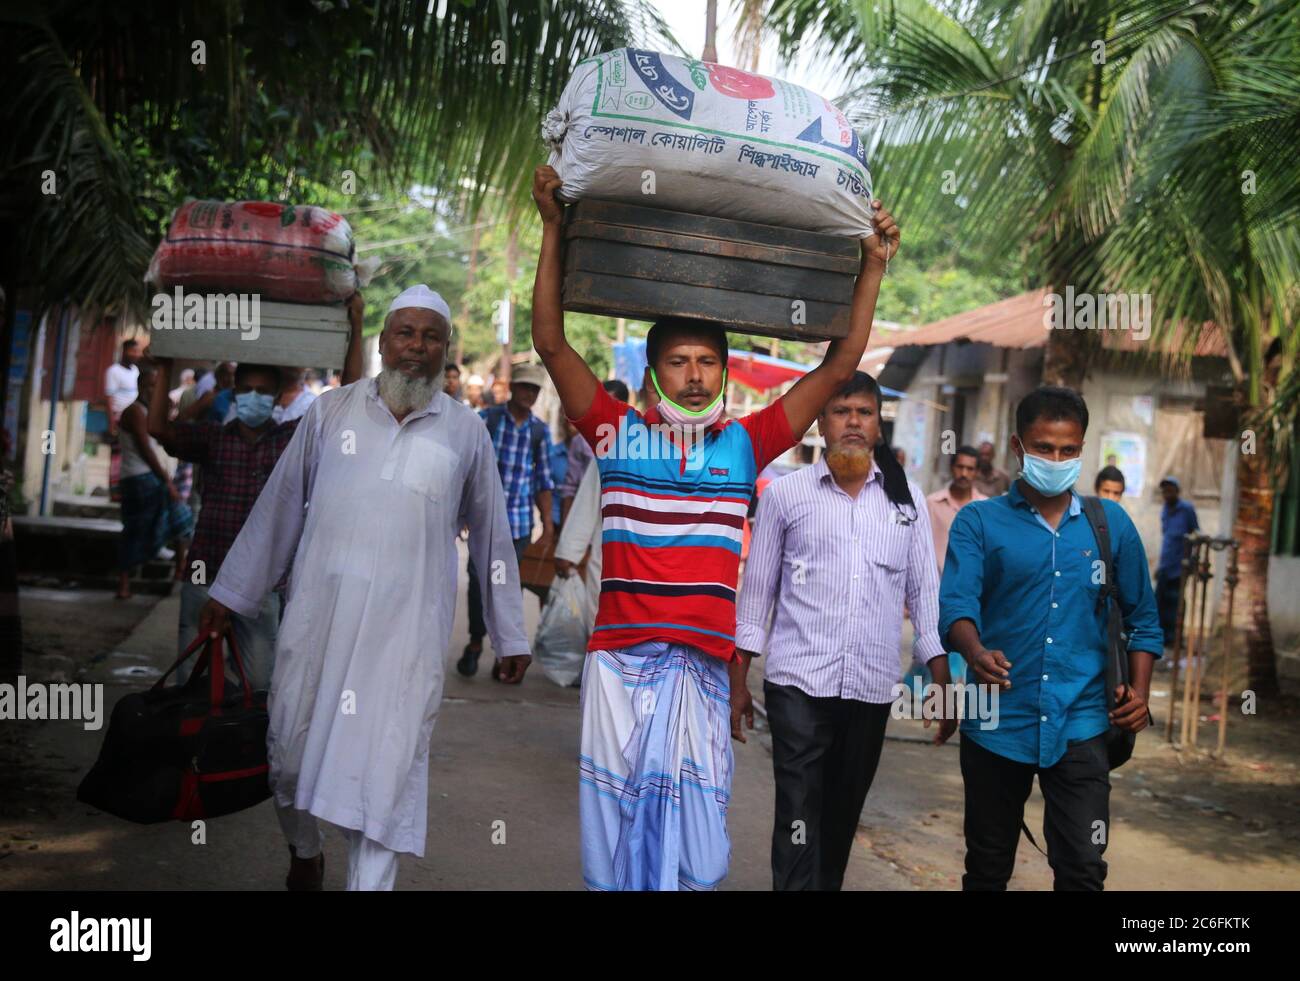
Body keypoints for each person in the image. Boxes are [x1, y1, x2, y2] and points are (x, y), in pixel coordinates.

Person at [530, 163, 900, 890]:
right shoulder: (616, 433)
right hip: (618, 665)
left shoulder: (749, 441)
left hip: (700, 666)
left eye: (707, 362)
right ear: (655, 372)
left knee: (698, 853)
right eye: (679, 361)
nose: (695, 375)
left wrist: (873, 265)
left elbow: (841, 365)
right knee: (614, 837)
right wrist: (551, 227)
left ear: (723, 373)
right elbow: (550, 341)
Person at [198, 284, 531, 892]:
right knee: (289, 754)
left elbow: (492, 540)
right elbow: (278, 511)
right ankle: (304, 850)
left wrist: (510, 632)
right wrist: (229, 594)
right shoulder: (329, 414)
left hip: (405, 640)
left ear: (446, 349)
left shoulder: (465, 433)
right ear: (382, 341)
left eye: (432, 336)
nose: (417, 347)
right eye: (405, 332)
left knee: (388, 773)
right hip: (318, 623)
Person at [939, 386, 1163, 891]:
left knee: (1083, 868)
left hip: (1084, 722)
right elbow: (955, 608)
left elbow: (1144, 621)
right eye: (1043, 448)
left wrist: (1140, 696)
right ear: (1019, 447)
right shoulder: (980, 520)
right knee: (988, 867)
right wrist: (975, 652)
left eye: (1068, 450)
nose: (1056, 460)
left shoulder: (1112, 526)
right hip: (996, 721)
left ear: (1082, 449)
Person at [736, 371, 953, 891]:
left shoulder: (907, 503)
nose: (853, 422)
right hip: (796, 683)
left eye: (864, 412)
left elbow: (925, 595)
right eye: (841, 411)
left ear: (878, 425)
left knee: (841, 814)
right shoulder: (788, 496)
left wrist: (944, 684)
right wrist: (737, 679)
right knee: (797, 808)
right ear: (819, 423)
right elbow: (756, 593)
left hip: (870, 686)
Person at [149, 295, 365, 689]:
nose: (253, 396)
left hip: (264, 580)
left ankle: (247, 750)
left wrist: (357, 325)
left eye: (262, 390)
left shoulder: (290, 440)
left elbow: (351, 403)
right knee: (189, 685)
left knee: (261, 686)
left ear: (277, 394)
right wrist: (164, 362)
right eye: (245, 389)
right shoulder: (214, 440)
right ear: (234, 393)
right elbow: (159, 429)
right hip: (206, 571)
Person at [457, 362, 555, 678]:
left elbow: (543, 480)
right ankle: (475, 642)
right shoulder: (487, 420)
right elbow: (466, 469)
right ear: (512, 387)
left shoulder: (539, 431)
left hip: (520, 523)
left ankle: (506, 652)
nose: (529, 393)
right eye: (525, 387)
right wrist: (463, 511)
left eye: (534, 389)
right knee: (478, 584)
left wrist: (549, 525)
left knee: (509, 589)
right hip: (485, 522)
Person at [116, 362, 193, 599]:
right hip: (140, 478)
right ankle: (125, 584)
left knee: (181, 520)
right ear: (140, 386)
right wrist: (167, 482)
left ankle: (179, 572)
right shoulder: (135, 411)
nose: (152, 390)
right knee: (139, 528)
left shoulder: (151, 411)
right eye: (149, 385)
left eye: (156, 386)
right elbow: (146, 450)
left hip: (150, 477)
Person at [559, 379, 628, 524]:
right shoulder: (581, 440)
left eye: (611, 404)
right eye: (602, 404)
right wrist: (567, 527)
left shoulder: (634, 444)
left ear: (624, 407)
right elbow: (570, 487)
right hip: (585, 516)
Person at [926, 444, 986, 574]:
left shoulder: (985, 507)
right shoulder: (932, 503)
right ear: (951, 467)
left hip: (971, 586)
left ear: (977, 472)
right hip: (935, 584)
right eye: (960, 467)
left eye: (970, 469)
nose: (964, 474)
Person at [1155, 475, 1198, 649]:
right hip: (1165, 565)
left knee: (1176, 603)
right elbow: (1167, 539)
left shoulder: (1186, 509)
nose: (1167, 494)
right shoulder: (1165, 509)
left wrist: (1191, 561)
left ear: (1177, 492)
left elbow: (1195, 534)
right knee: (1159, 603)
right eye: (1165, 491)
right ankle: (1162, 638)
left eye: (1170, 490)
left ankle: (1175, 639)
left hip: (1180, 567)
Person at [104, 339, 142, 428]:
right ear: (124, 352)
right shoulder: (113, 371)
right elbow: (109, 398)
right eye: (133, 351)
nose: (136, 355)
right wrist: (111, 421)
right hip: (120, 417)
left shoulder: (135, 370)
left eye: (138, 352)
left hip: (133, 416)